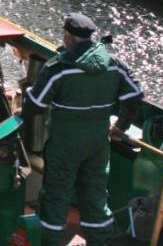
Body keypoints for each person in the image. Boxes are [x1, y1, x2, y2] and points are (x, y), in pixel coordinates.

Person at [22, 13, 143, 245]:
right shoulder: (115, 65)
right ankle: (100, 240)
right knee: (96, 197)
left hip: (64, 144)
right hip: (98, 143)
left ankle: (50, 242)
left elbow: (35, 105)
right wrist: (120, 127)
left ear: (68, 37)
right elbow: (135, 95)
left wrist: (25, 101)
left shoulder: (59, 67)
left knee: (56, 197)